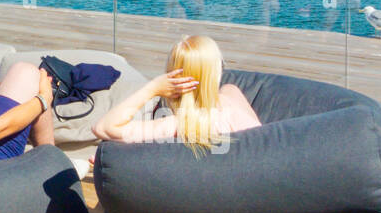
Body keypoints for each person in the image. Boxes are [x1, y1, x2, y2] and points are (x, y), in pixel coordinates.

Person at [91, 34, 260, 153]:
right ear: (216, 73)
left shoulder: (178, 125)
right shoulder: (232, 96)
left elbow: (103, 127)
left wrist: (152, 87)